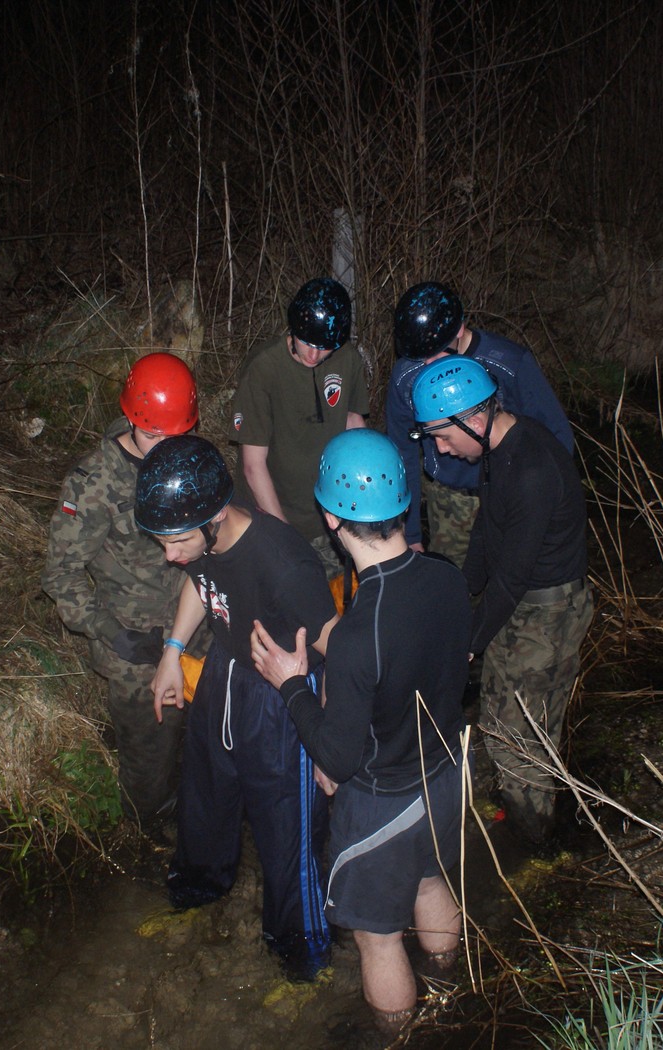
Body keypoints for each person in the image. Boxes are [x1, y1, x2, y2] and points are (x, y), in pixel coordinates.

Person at [250, 429, 471, 1039]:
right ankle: (452, 990)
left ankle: (401, 1036)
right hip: (447, 775)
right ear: (402, 502)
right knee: (430, 879)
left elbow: (338, 759)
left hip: (385, 804)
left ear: (330, 518)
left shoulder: (357, 633)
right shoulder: (448, 578)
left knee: (378, 939)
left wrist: (290, 684)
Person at [138, 435, 340, 981]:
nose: (170, 555)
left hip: (282, 692)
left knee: (287, 830)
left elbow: (340, 649)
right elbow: (200, 582)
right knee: (205, 791)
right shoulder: (201, 539)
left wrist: (328, 738)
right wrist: (172, 652)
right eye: (162, 542)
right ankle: (198, 893)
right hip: (226, 670)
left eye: (177, 542)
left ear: (217, 518)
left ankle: (303, 957)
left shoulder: (284, 564)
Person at [409, 356, 592, 846]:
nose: (441, 449)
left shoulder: (532, 466)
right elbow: (486, 533)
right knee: (504, 715)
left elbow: (511, 576)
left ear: (474, 417)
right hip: (522, 603)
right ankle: (525, 810)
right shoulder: (498, 449)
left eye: (443, 436)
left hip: (547, 615)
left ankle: (533, 843)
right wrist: (458, 593)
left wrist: (466, 644)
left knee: (520, 735)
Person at [42, 352, 199, 838]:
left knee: (206, 740)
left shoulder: (188, 458)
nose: (165, 449)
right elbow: (60, 575)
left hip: (197, 626)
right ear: (131, 418)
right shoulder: (94, 484)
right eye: (153, 436)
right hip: (136, 646)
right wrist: (109, 632)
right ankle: (149, 834)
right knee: (149, 766)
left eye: (176, 436)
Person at [384, 281, 573, 567]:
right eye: (421, 356)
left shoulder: (509, 363)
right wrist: (410, 533)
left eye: (436, 352)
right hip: (451, 500)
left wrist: (548, 505)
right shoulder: (406, 377)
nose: (429, 364)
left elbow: (556, 437)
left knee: (513, 577)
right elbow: (402, 453)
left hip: (511, 494)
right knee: (455, 581)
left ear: (459, 330)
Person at [233, 277, 369, 576]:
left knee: (339, 592)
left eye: (324, 347)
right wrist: (284, 536)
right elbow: (253, 466)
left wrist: (360, 500)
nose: (313, 355)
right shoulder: (264, 368)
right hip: (271, 511)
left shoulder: (347, 359)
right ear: (293, 328)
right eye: (307, 342)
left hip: (328, 509)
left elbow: (354, 424)